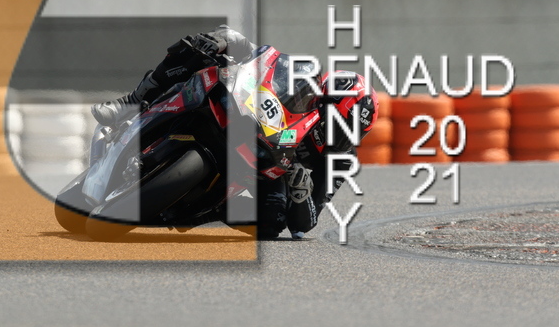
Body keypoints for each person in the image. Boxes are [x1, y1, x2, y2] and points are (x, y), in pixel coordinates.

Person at [92, 25, 379, 239]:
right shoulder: (301, 77)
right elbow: (263, 56)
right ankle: (131, 102)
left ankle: (204, 210)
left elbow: (305, 224)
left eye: (353, 132)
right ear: (324, 100)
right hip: (248, 120)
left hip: (270, 170)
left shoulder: (340, 159)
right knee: (198, 49)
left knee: (272, 223)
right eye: (339, 124)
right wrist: (224, 40)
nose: (341, 137)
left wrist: (302, 193)